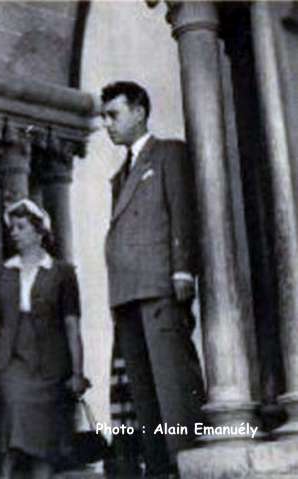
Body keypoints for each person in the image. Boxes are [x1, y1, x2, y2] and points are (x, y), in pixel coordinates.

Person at [101, 81, 205, 477]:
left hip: (159, 286)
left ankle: (186, 464)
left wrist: (182, 269)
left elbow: (181, 211)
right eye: (104, 116)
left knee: (173, 385)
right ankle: (161, 468)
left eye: (114, 114)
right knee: (144, 393)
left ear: (140, 111)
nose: (107, 124)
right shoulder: (120, 175)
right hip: (127, 293)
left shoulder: (167, 154)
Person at [0, 199, 88, 479]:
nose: (14, 232)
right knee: (11, 425)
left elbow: (72, 323)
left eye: (21, 227)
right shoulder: (0, 272)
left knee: (44, 440)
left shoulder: (62, 272)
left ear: (39, 231)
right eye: (11, 227)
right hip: (10, 357)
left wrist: (77, 371)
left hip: (50, 363)